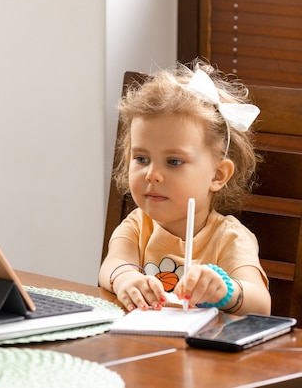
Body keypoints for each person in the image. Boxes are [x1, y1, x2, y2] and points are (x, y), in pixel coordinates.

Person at [99, 59, 271, 316]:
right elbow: (113, 264)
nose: (152, 175)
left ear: (218, 174)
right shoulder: (137, 225)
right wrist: (125, 279)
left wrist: (226, 291)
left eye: (174, 161)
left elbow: (261, 305)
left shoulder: (230, 238)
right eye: (142, 159)